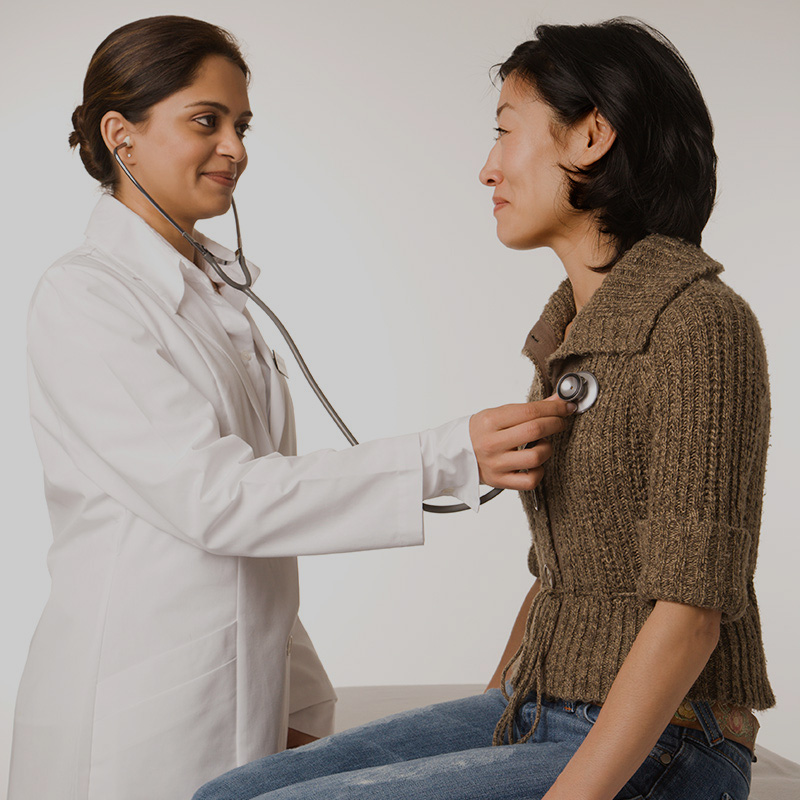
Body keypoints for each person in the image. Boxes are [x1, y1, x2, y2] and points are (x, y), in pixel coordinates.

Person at [193, 17, 774, 800]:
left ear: (591, 136)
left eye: (505, 132)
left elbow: (692, 611)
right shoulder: (570, 332)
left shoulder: (699, 323)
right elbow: (561, 573)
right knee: (225, 795)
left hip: (674, 738)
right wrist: (494, 706)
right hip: (541, 705)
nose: (486, 168)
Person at [7, 15, 574, 800]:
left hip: (241, 683)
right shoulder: (87, 297)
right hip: (132, 712)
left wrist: (300, 695)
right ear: (121, 135)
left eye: (240, 125)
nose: (235, 148)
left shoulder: (216, 290)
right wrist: (447, 455)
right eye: (205, 121)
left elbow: (262, 538)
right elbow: (219, 501)